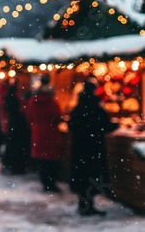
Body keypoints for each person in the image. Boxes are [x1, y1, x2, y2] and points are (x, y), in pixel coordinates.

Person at [68, 78, 118, 216]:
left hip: (80, 147)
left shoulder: (78, 107)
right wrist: (115, 125)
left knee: (82, 176)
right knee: (91, 176)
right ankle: (88, 206)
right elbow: (106, 126)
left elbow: (71, 125)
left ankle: (84, 204)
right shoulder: (96, 107)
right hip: (93, 147)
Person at [25, 75, 64, 193]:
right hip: (50, 132)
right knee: (51, 159)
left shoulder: (32, 102)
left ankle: (45, 182)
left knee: (41, 159)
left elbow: (29, 117)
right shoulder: (52, 103)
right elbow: (57, 117)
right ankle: (51, 183)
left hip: (37, 132)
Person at [1, 80, 31, 174]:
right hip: (16, 126)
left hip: (13, 126)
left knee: (13, 145)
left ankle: (12, 164)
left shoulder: (9, 97)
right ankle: (16, 166)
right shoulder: (13, 98)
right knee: (16, 146)